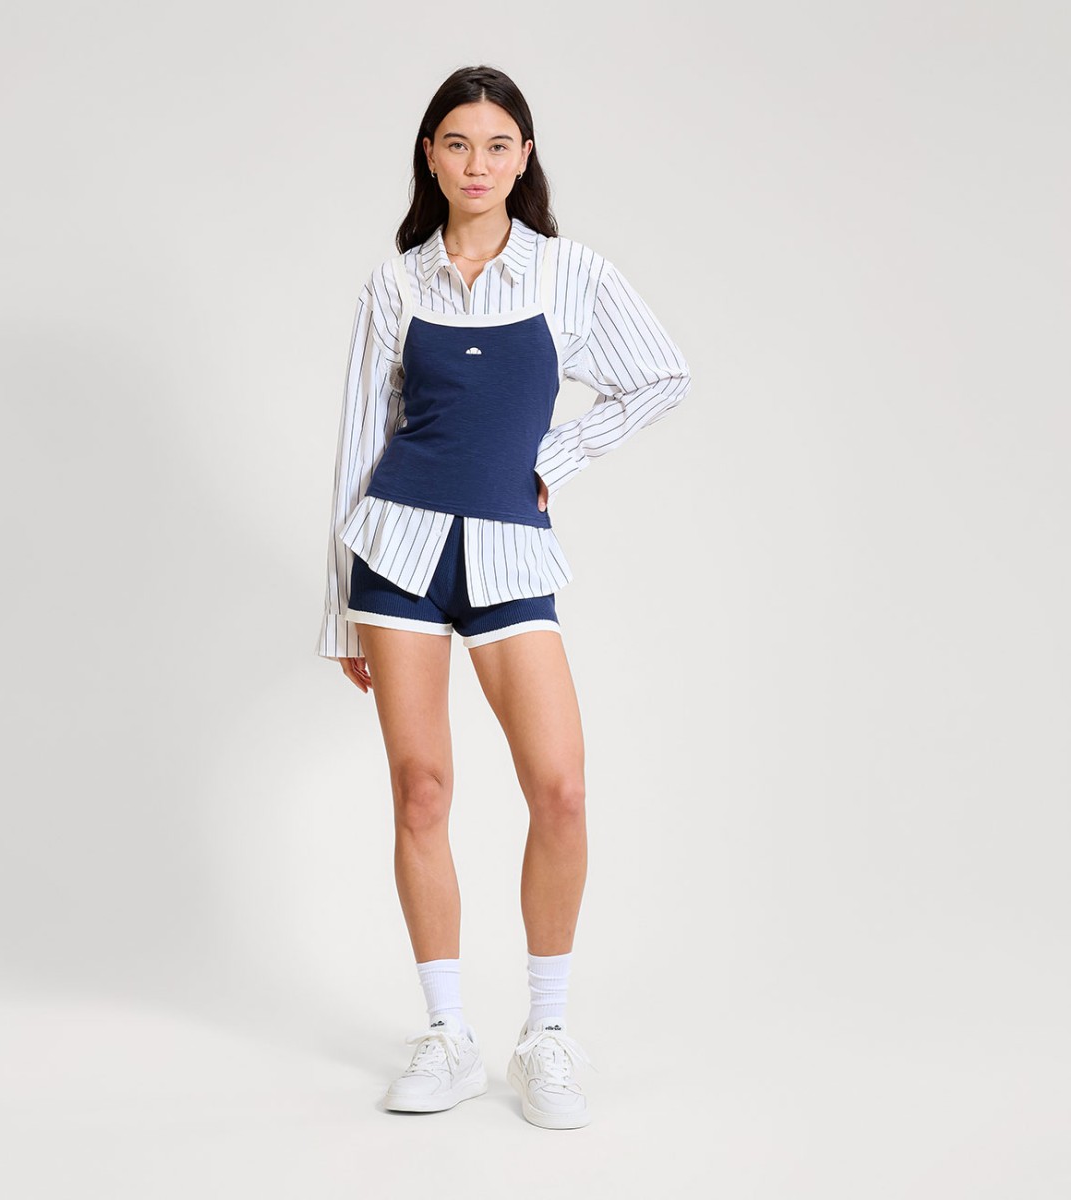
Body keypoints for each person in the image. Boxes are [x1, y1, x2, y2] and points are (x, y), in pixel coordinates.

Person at [315, 65, 692, 1130]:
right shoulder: (393, 287)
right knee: (422, 790)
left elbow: (663, 375)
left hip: (512, 556)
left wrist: (555, 457)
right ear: (429, 157)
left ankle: (547, 1035)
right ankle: (446, 1034)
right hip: (397, 554)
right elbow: (356, 448)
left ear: (524, 157)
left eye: (495, 144)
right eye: (456, 143)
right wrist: (339, 611)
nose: (476, 164)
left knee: (560, 789)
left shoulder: (571, 274)